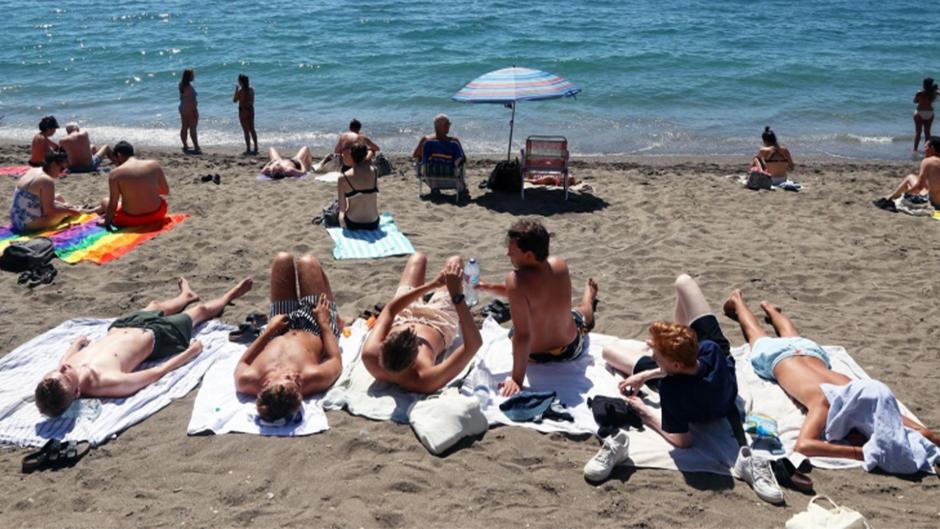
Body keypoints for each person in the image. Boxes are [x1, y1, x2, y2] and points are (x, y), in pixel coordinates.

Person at [722, 289, 940, 461]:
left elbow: (926, 434)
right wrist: (859, 452)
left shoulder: (866, 399)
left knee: (784, 335)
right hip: (782, 357)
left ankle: (768, 309)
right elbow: (804, 446)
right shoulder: (824, 402)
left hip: (804, 352)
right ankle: (741, 302)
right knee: (759, 335)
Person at [34, 276, 253, 417]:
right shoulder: (107, 382)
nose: (62, 368)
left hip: (124, 326)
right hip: (157, 336)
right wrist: (189, 353)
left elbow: (64, 362)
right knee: (200, 311)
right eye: (64, 374)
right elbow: (156, 373)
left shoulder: (60, 374)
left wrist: (76, 343)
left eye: (55, 373)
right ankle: (229, 295)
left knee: (156, 305)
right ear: (78, 391)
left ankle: (185, 296)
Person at [600, 274, 738, 449]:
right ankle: (674, 342)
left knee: (608, 351)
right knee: (683, 281)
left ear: (676, 364)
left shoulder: (671, 390)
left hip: (703, 402)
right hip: (723, 396)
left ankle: (671, 346)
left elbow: (683, 441)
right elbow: (688, 367)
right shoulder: (711, 350)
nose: (652, 357)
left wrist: (645, 413)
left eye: (656, 356)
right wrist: (645, 375)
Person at [475, 219, 598, 397]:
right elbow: (526, 293)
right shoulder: (559, 265)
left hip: (534, 355)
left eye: (512, 249)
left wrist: (516, 379)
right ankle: (589, 298)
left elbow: (523, 335)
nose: (507, 253)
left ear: (529, 256)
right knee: (580, 312)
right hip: (570, 349)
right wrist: (489, 287)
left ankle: (588, 297)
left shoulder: (515, 280)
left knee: (514, 332)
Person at [234, 252, 343, 422]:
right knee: (308, 261)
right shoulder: (312, 377)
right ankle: (337, 318)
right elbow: (334, 359)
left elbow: (243, 362)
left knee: (282, 259)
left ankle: (334, 314)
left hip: (278, 326)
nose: (295, 376)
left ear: (265, 385)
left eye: (287, 378)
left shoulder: (246, 380)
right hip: (314, 327)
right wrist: (324, 323)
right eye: (298, 384)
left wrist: (269, 330)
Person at [361, 253, 482, 394]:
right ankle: (438, 293)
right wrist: (457, 296)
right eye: (418, 342)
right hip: (439, 320)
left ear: (383, 348)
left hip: (403, 314)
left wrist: (431, 285)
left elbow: (390, 310)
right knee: (455, 262)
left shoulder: (370, 356)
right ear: (413, 360)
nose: (412, 327)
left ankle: (432, 291)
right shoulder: (425, 379)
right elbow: (474, 344)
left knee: (417, 258)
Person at [98, 141, 170, 228]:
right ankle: (92, 210)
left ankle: (93, 210)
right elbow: (165, 191)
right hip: (157, 214)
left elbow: (113, 204)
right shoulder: (154, 165)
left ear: (119, 155)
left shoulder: (115, 174)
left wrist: (106, 222)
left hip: (130, 220)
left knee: (105, 201)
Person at [10, 151, 86, 233]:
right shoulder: (47, 181)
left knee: (58, 197)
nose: (62, 173)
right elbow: (49, 211)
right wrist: (70, 211)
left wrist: (65, 207)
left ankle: (70, 209)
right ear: (53, 165)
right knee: (64, 213)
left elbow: (37, 199)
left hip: (15, 217)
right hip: (25, 224)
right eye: (62, 169)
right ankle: (72, 211)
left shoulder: (35, 170)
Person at [873, 136, 940, 211]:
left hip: (935, 203)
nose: (924, 150)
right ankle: (893, 195)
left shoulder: (928, 161)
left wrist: (905, 194)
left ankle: (891, 197)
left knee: (910, 177)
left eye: (926, 147)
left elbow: (919, 187)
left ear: (932, 148)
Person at [337, 142, 380, 230]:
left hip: (353, 223)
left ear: (351, 156)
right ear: (365, 155)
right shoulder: (375, 171)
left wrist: (341, 220)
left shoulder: (343, 177)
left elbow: (342, 208)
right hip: (373, 222)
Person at [233, 74, 257, 155]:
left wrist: (236, 89)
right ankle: (256, 147)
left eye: (239, 81)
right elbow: (252, 100)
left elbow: (235, 100)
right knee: (252, 129)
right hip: (250, 110)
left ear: (241, 82)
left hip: (243, 111)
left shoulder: (240, 91)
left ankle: (248, 148)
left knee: (246, 131)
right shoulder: (251, 89)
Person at [178, 68, 200, 154]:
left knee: (184, 127)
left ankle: (185, 145)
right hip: (190, 108)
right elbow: (192, 101)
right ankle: (196, 146)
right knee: (193, 127)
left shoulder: (181, 85)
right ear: (189, 76)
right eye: (192, 75)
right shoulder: (190, 88)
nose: (194, 76)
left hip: (182, 107)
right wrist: (195, 111)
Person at [913, 78, 937, 153]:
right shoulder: (934, 92)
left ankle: (915, 149)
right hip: (930, 112)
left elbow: (914, 101)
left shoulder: (920, 92)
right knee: (927, 133)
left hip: (919, 112)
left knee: (918, 132)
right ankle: (927, 150)